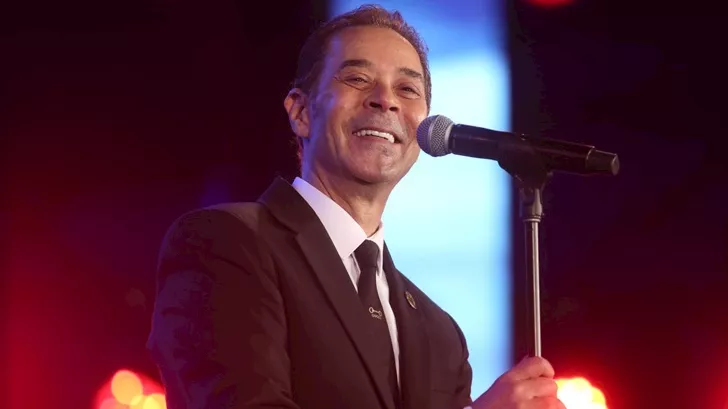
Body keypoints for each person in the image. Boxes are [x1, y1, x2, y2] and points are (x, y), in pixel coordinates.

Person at [146, 4, 566, 409]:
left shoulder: (440, 333)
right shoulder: (227, 243)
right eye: (357, 79)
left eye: (407, 89)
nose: (385, 100)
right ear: (301, 112)